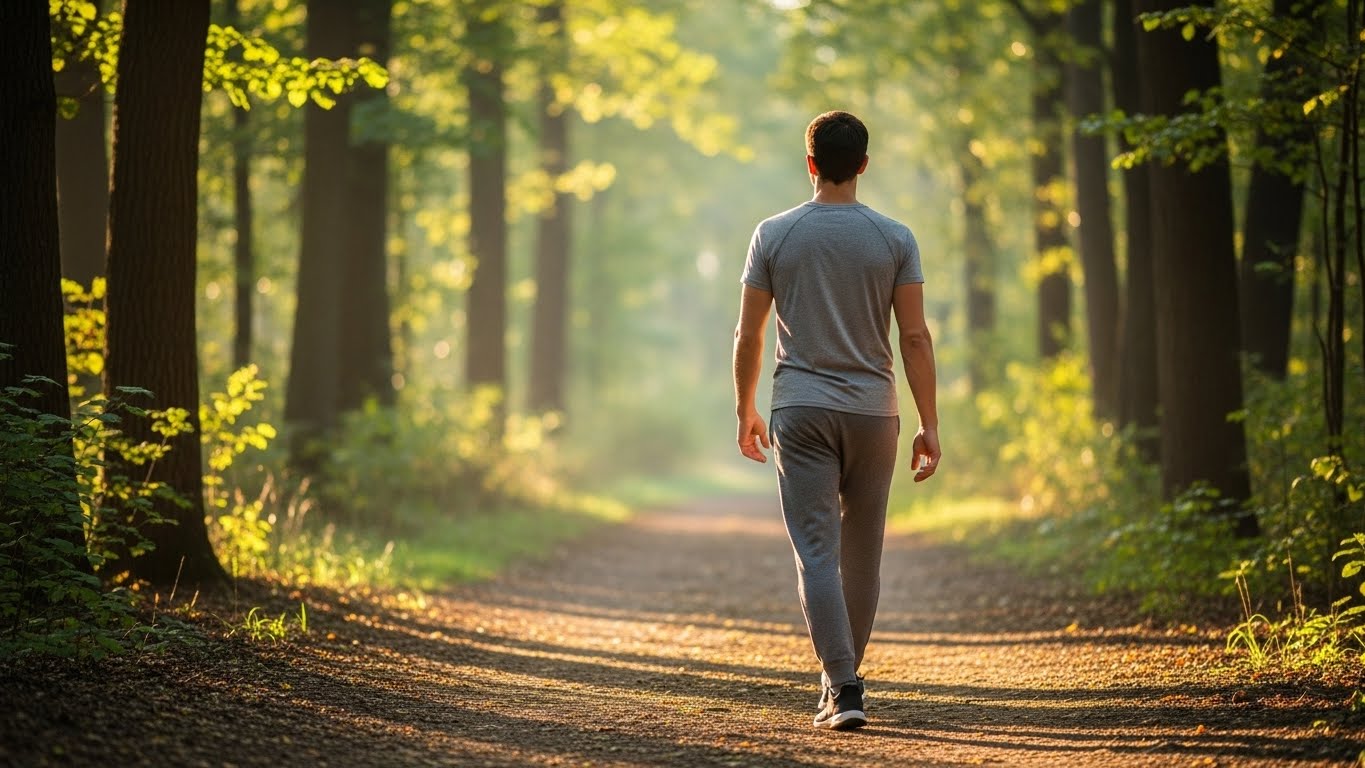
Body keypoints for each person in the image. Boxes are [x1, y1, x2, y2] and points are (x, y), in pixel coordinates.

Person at [731, 110, 940, 731]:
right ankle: (843, 683)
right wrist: (929, 422)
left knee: (818, 552)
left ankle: (843, 686)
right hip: (875, 413)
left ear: (811, 163)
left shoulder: (774, 234)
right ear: (864, 165)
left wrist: (744, 408)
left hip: (801, 410)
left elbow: (749, 334)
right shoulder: (895, 238)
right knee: (862, 552)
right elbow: (915, 337)